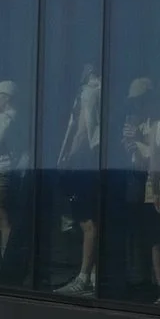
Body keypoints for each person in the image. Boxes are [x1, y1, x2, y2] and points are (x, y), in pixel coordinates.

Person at [120, 76, 160, 304]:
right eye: (134, 102)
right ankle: (144, 280)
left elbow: (156, 157)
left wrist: (141, 142)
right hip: (138, 183)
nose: (137, 106)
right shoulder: (139, 121)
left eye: (141, 100)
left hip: (156, 184)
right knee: (144, 236)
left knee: (159, 237)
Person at [55, 63, 104, 296]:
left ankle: (84, 276)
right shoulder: (103, 91)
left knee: (86, 222)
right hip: (95, 162)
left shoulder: (89, 93)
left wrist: (69, 160)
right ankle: (93, 276)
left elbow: (84, 130)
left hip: (83, 162)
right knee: (89, 220)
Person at [0, 79, 28, 280]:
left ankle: (4, 268)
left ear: (6, 97)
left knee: (1, 222)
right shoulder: (19, 118)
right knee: (3, 220)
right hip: (10, 173)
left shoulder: (3, 120)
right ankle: (1, 267)